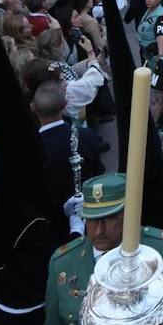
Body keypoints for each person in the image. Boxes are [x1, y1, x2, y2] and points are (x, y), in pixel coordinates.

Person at [40, 172, 163, 325]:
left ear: (130, 213)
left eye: (110, 218)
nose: (98, 231)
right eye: (91, 220)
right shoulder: (62, 263)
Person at [33, 80, 102, 223]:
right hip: (92, 216)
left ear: (33, 108)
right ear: (64, 105)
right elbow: (98, 173)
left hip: (53, 224)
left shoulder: (31, 150)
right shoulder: (88, 137)